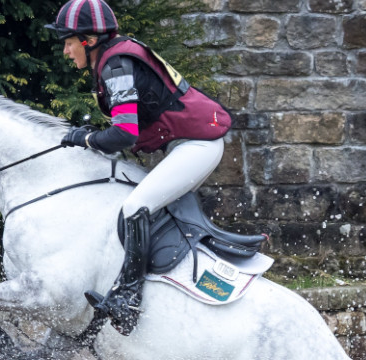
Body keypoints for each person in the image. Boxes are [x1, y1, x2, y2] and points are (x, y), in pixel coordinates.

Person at [46, 0, 232, 336]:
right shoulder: (112, 57)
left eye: (68, 41)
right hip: (186, 145)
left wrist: (86, 139)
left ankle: (128, 298)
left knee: (134, 206)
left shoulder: (115, 64)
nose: (64, 51)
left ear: (88, 40)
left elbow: (123, 133)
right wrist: (88, 137)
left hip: (198, 145)